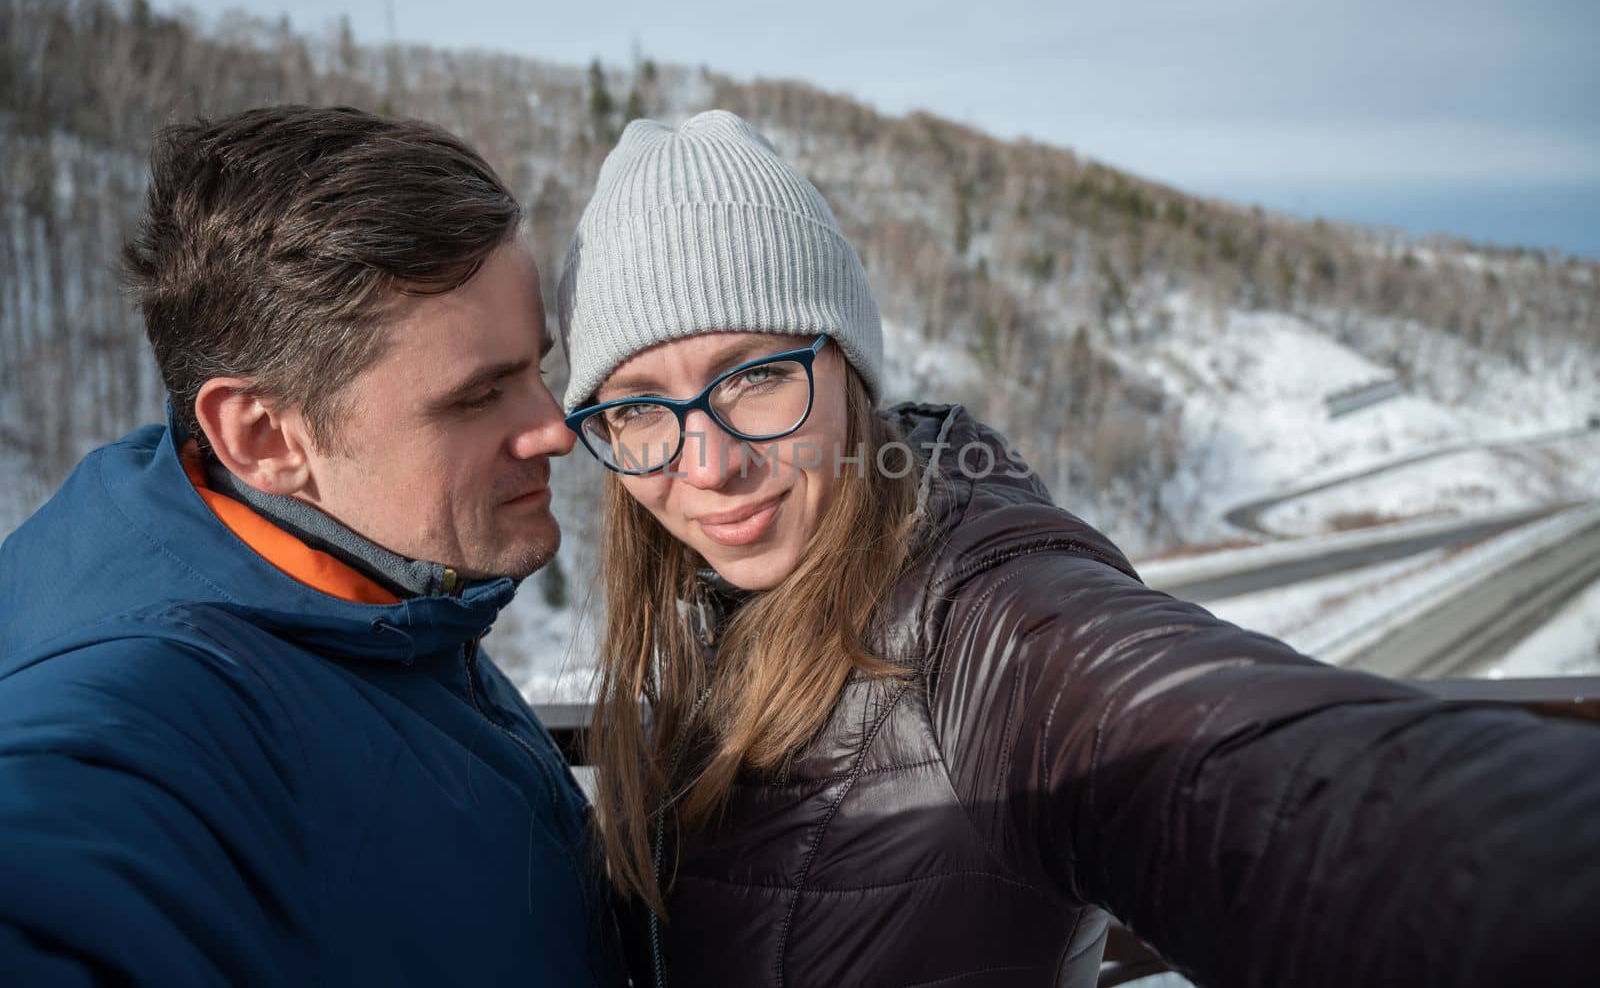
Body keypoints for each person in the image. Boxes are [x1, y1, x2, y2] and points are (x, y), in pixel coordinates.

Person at [556, 110, 1600, 988]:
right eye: (641, 406)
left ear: (848, 369)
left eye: (754, 375)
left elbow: (1243, 779)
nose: (706, 463)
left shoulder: (975, 611)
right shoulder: (715, 617)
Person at [0, 106, 623, 986]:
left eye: (537, 371)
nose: (555, 430)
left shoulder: (374, 591)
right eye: (478, 396)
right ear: (262, 434)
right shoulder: (156, 704)